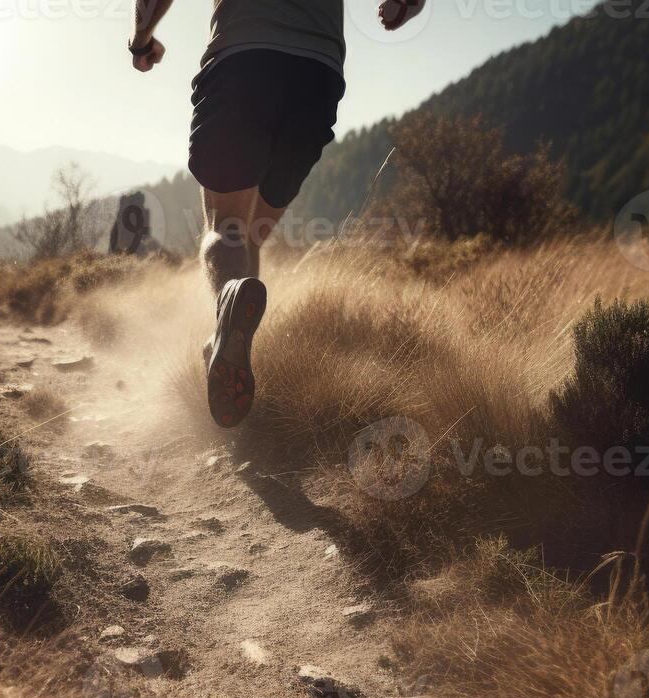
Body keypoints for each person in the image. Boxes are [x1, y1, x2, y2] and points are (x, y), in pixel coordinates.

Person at [129, 0, 426, 427]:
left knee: (226, 225)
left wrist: (141, 42)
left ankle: (225, 313)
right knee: (252, 235)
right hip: (316, 77)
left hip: (243, 59)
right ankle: (228, 342)